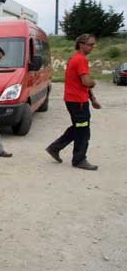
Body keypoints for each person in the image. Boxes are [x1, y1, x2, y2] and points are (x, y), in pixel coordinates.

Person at [46, 34, 101, 170]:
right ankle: (79, 160)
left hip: (74, 101)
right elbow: (86, 82)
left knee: (79, 127)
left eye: (93, 44)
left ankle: (54, 148)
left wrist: (92, 98)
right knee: (83, 131)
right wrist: (93, 82)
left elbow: (82, 84)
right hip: (78, 102)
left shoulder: (74, 59)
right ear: (81, 44)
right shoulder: (80, 60)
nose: (92, 47)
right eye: (90, 44)